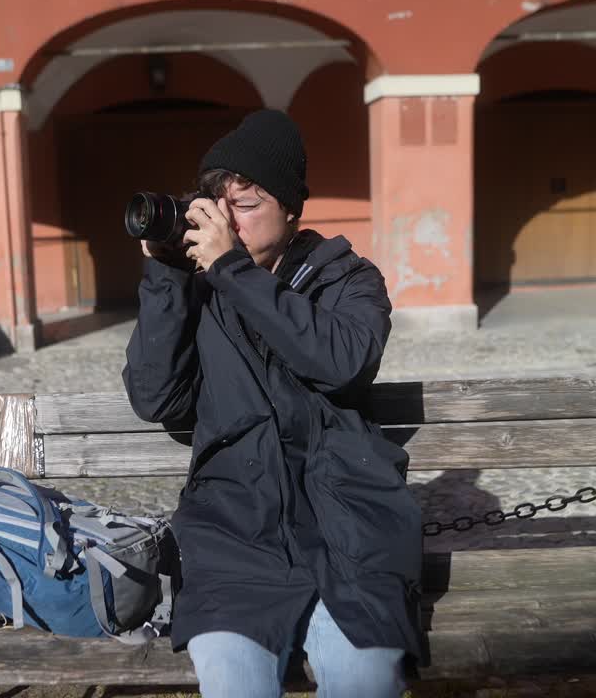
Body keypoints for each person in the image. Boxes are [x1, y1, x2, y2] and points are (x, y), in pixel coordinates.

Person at [122, 109, 424, 698]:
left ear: (290, 208)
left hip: (349, 530)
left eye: (248, 203)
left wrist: (234, 271)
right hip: (235, 534)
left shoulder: (349, 280)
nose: (229, 221)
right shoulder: (202, 288)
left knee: (365, 682)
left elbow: (343, 362)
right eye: (220, 204)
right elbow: (156, 398)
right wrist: (165, 275)